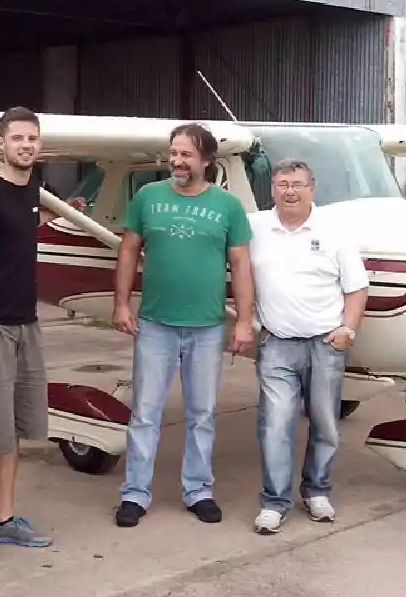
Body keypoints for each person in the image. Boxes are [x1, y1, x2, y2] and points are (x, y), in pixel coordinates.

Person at [0, 105, 85, 573]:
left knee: (13, 430)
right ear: (1, 144)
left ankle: (4, 519)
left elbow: (15, 237)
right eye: (18, 138)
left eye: (32, 138)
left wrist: (64, 215)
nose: (26, 145)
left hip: (27, 326)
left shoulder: (31, 190)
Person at [110, 123, 255, 527]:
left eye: (186, 154)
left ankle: (198, 490)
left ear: (206, 160)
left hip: (207, 327)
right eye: (174, 153)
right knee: (145, 412)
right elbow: (128, 250)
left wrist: (244, 320)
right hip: (155, 324)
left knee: (202, 413)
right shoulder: (147, 196)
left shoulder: (227, 206)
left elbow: (241, 264)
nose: (177, 160)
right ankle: (135, 494)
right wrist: (121, 303)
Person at [247, 159, 368, 535]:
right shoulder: (254, 227)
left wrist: (348, 329)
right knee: (275, 425)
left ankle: (317, 490)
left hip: (325, 344)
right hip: (276, 343)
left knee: (326, 423)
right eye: (283, 184)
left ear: (312, 189)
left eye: (298, 184)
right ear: (273, 190)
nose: (290, 192)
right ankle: (274, 501)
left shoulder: (334, 232)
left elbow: (356, 288)